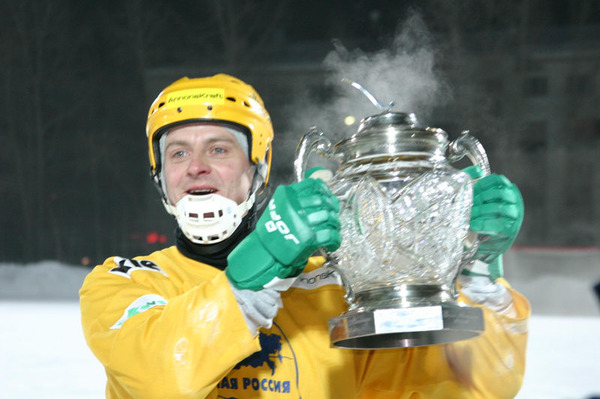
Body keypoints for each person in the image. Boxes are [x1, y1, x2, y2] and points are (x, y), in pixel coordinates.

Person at [80, 74, 529, 399]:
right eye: (178, 152)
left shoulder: (335, 288)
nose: (196, 165)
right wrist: (253, 276)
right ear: (161, 177)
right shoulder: (126, 283)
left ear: (257, 168)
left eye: (219, 148)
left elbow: (464, 390)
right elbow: (162, 379)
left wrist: (474, 282)